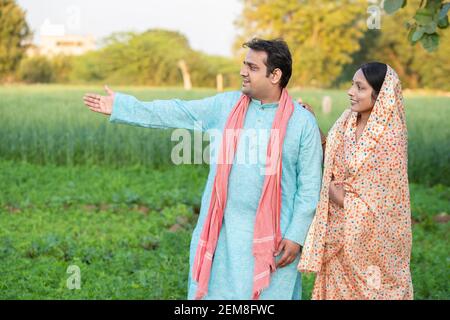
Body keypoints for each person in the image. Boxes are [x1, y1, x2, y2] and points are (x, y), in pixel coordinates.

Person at [83, 38, 323, 300]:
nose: (243, 71)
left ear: (275, 75)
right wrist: (123, 106)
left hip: (275, 240)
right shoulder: (226, 106)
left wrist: (296, 235)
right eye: (244, 64)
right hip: (223, 232)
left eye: (252, 67)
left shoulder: (302, 122)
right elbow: (179, 111)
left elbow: (310, 185)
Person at [298, 62, 414, 300]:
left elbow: (384, 199)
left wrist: (337, 196)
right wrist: (311, 122)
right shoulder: (347, 120)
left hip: (373, 244)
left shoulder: (390, 137)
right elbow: (333, 154)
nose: (351, 92)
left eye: (360, 87)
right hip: (339, 234)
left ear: (380, 95)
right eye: (352, 85)